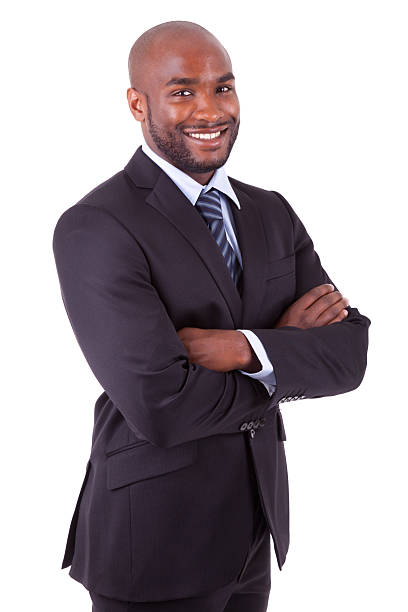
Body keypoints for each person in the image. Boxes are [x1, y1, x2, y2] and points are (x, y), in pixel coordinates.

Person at [52, 20, 371, 612]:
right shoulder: (97, 226)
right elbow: (161, 405)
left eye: (223, 88)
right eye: (182, 92)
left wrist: (245, 348)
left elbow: (350, 355)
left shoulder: (271, 212)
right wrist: (284, 356)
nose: (210, 109)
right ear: (137, 103)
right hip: (153, 538)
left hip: (254, 528)